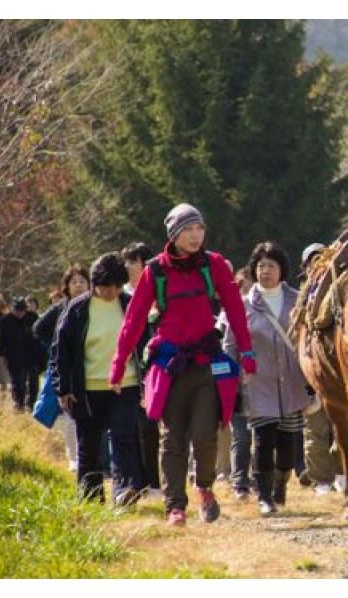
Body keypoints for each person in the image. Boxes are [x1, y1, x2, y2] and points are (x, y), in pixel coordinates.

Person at [111, 203, 255, 526]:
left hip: (206, 365)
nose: (195, 235)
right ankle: (175, 505)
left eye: (199, 228)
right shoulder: (156, 271)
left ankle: (204, 487)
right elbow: (133, 321)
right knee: (172, 438)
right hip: (169, 367)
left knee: (206, 436)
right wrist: (118, 365)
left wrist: (247, 352)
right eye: (188, 230)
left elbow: (234, 308)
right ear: (174, 234)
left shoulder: (213, 265)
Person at [223, 242, 310, 516]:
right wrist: (234, 380)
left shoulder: (299, 300)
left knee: (287, 446)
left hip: (293, 382)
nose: (265, 271)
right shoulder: (243, 304)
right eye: (260, 266)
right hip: (257, 381)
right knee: (262, 440)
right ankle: (263, 495)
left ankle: (281, 482)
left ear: (281, 269)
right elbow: (230, 345)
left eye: (271, 266)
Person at [53, 253, 145, 506]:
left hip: (125, 384)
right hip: (87, 388)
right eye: (105, 287)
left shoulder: (130, 304)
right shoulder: (77, 309)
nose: (110, 292)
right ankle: (91, 498)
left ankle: (124, 491)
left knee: (123, 437)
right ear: (95, 284)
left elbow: (145, 344)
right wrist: (64, 389)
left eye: (116, 286)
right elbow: (61, 350)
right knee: (89, 446)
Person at [296, 242, 343, 494]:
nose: (318, 265)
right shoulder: (301, 301)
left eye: (322, 259)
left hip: (339, 376)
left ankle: (342, 473)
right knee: (315, 432)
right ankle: (321, 480)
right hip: (312, 376)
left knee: (344, 429)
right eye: (312, 261)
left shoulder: (341, 295)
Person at [33, 265, 90, 472]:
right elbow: (38, 328)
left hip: (91, 366)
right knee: (69, 415)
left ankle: (94, 458)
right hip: (67, 367)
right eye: (74, 281)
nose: (78, 285)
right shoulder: (61, 307)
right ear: (66, 286)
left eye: (82, 281)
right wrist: (54, 349)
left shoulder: (95, 306)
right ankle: (74, 458)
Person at [121, 241, 162, 498]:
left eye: (132, 261)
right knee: (129, 427)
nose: (128, 266)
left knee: (150, 428)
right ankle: (135, 481)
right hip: (126, 370)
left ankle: (153, 482)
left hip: (153, 369)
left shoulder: (156, 294)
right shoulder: (120, 297)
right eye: (126, 261)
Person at [227, 267, 255, 500]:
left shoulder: (264, 309)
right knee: (241, 435)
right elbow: (227, 347)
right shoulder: (232, 310)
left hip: (262, 384)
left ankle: (258, 478)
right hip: (238, 383)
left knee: (262, 435)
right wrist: (228, 378)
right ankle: (240, 481)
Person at [0, 296, 43, 411]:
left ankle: (31, 404)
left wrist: (41, 358)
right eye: (17, 310)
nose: (20, 313)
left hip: (31, 356)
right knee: (17, 382)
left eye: (22, 310)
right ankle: (19, 403)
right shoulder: (5, 320)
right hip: (13, 356)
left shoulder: (33, 318)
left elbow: (40, 339)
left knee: (33, 382)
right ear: (13, 309)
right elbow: (1, 339)